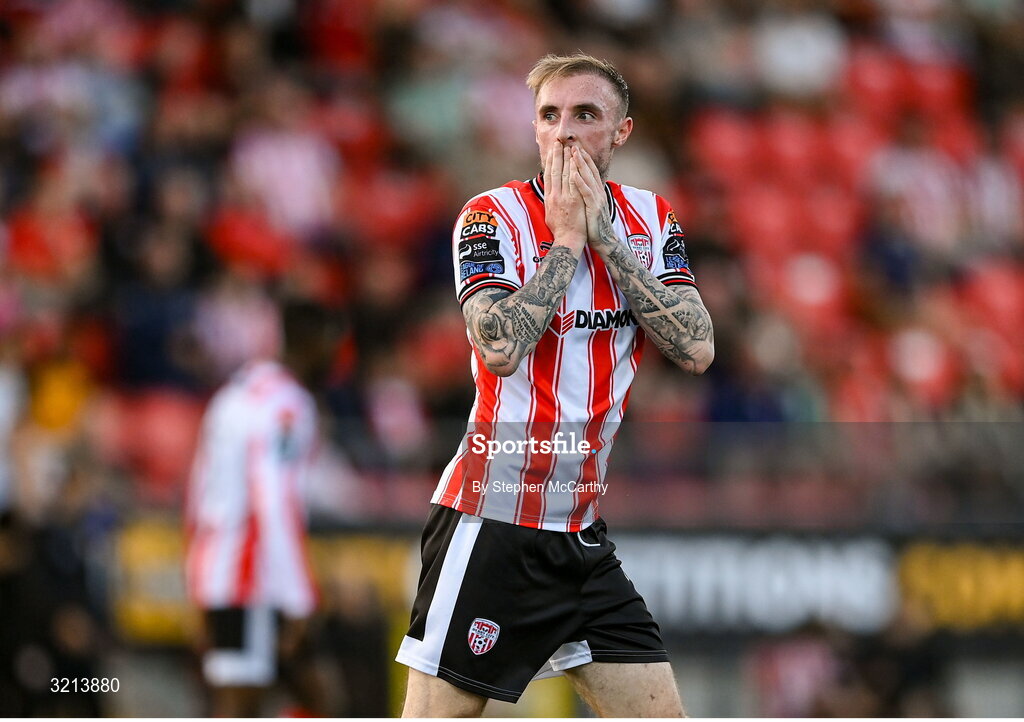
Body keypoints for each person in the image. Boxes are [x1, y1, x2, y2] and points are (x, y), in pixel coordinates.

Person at [396, 53, 714, 717]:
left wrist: (611, 245)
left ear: (620, 132)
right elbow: (502, 348)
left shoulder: (652, 220)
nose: (564, 131)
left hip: (580, 535)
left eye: (585, 115)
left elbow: (697, 346)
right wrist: (566, 243)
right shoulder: (491, 218)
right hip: (493, 522)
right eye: (550, 115)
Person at [184, 300, 337, 717]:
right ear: (313, 343)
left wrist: (196, 579)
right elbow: (273, 499)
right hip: (254, 575)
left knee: (254, 701)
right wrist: (299, 596)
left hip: (218, 568)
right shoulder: (286, 406)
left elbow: (198, 490)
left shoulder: (233, 394)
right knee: (257, 703)